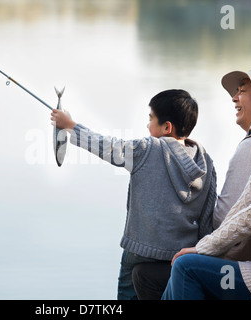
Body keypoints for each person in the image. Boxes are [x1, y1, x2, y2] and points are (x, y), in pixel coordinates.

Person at [132, 66, 251, 299]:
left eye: (243, 91)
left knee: (144, 273)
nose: (234, 98)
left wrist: (197, 247)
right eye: (235, 92)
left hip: (242, 263)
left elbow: (229, 220)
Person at [51, 89, 217, 300]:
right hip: (181, 254)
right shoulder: (206, 163)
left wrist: (70, 126)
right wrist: (199, 252)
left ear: (167, 127)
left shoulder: (148, 149)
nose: (147, 125)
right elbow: (207, 216)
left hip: (141, 251)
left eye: (151, 119)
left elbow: (108, 148)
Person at [162, 94, 251, 300]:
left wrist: (201, 248)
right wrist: (207, 251)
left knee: (186, 267)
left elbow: (250, 220)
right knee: (185, 266)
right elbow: (238, 212)